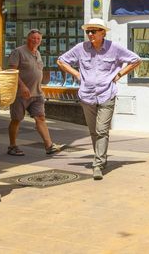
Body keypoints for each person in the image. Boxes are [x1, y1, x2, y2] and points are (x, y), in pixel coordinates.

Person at [57, 18, 140, 179]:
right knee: (93, 131)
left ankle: (98, 164)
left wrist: (120, 74)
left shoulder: (114, 48)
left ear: (103, 32)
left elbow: (135, 59)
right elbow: (61, 60)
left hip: (106, 94)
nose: (90, 34)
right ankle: (101, 157)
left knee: (102, 130)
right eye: (88, 31)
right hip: (87, 95)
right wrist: (77, 74)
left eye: (93, 31)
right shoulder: (81, 48)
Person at [6, 29, 62, 157]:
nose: (36, 40)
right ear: (28, 39)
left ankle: (49, 146)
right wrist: (23, 86)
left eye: (38, 39)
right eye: (33, 38)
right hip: (21, 94)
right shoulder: (18, 52)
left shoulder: (37, 53)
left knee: (41, 118)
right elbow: (12, 71)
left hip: (37, 93)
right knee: (16, 119)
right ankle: (12, 146)